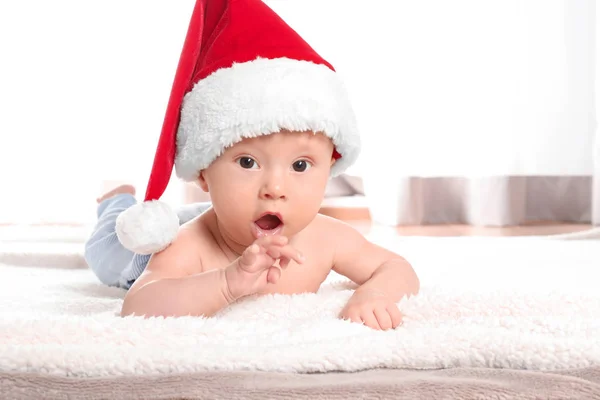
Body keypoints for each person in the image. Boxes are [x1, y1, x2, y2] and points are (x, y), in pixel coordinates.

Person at [84, 0, 420, 331]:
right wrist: (226, 283)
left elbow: (395, 266)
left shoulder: (325, 237)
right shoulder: (191, 245)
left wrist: (374, 294)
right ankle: (117, 203)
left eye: (300, 166)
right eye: (248, 162)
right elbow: (138, 305)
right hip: (171, 238)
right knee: (110, 257)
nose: (275, 188)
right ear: (203, 171)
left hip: (227, 209)